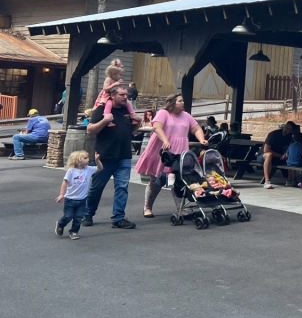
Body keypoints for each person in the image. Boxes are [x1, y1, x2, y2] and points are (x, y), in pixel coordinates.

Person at [134, 93, 208, 218]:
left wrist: (201, 139)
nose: (183, 102)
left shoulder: (186, 116)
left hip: (179, 150)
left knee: (177, 179)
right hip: (163, 150)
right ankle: (147, 207)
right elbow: (157, 128)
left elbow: (196, 129)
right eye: (180, 100)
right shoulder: (164, 113)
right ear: (173, 102)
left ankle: (180, 209)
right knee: (156, 180)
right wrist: (165, 140)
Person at [83, 84, 139, 229]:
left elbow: (131, 132)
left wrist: (137, 123)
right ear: (113, 95)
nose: (125, 97)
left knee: (122, 187)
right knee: (97, 187)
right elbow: (90, 130)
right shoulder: (101, 110)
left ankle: (118, 218)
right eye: (122, 95)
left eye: (126, 95)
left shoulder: (127, 110)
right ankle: (88, 214)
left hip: (124, 155)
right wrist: (105, 120)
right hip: (105, 156)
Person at [54, 150, 98, 240]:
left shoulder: (89, 169)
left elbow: (100, 168)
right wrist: (62, 194)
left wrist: (97, 160)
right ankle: (60, 224)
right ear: (78, 160)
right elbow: (64, 182)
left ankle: (74, 231)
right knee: (68, 216)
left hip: (82, 200)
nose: (88, 160)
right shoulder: (71, 171)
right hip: (70, 199)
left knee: (78, 218)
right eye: (85, 158)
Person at [262, 121, 296, 189]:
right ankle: (267, 181)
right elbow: (266, 150)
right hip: (264, 155)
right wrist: (280, 156)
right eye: (286, 127)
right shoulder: (274, 134)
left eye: (289, 129)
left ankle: (292, 179)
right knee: (269, 155)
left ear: (291, 131)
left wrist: (286, 154)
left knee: (292, 156)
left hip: (280, 157)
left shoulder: (290, 137)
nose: (286, 129)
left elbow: (290, 148)